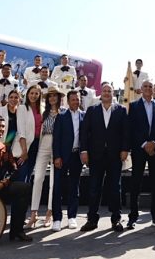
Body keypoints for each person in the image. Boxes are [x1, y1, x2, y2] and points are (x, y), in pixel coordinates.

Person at [79, 84, 129, 232]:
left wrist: (125, 149)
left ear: (113, 94)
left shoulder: (121, 110)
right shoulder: (92, 110)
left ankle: (116, 220)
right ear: (101, 93)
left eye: (109, 91)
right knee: (94, 188)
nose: (107, 93)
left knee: (115, 188)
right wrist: (84, 151)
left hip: (115, 155)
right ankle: (92, 220)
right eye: (105, 91)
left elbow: (126, 132)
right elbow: (84, 132)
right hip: (96, 155)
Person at [127, 80, 155, 229]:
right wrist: (144, 144)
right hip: (139, 149)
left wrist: (154, 143)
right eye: (145, 87)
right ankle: (133, 217)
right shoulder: (134, 106)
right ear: (141, 89)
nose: (148, 89)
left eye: (150, 87)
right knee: (135, 183)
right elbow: (132, 128)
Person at [26, 87, 64, 229]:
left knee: (53, 182)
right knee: (38, 178)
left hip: (57, 147)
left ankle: (50, 213)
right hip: (43, 144)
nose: (52, 98)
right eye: (50, 96)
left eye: (55, 96)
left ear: (59, 98)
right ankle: (34, 214)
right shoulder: (44, 112)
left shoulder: (63, 113)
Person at [51, 90, 85, 231]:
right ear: (68, 101)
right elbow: (56, 138)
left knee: (74, 187)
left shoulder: (84, 116)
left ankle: (72, 217)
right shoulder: (61, 116)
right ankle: (57, 219)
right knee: (58, 187)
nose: (75, 102)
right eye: (73, 100)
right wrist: (57, 156)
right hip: (63, 157)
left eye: (77, 99)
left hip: (77, 156)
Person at [12, 85, 43, 183]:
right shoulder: (22, 108)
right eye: (31, 93)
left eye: (36, 93)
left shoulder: (42, 109)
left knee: (29, 174)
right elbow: (21, 131)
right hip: (24, 145)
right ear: (28, 94)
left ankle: (26, 198)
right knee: (22, 176)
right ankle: (18, 198)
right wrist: (24, 151)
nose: (33, 96)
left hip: (37, 144)